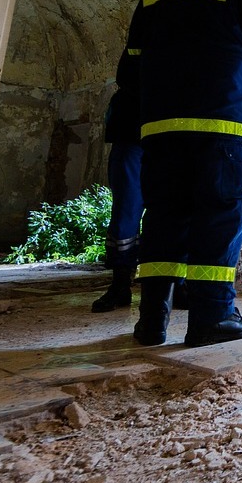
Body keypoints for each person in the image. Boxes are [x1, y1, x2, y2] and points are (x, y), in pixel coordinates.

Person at [118, 0, 242, 347]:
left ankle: (151, 321)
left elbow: (132, 64)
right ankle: (212, 316)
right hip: (220, 124)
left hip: (160, 128)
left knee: (163, 217)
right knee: (220, 213)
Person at [89, 86, 143, 313]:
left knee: (169, 217)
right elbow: (126, 74)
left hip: (167, 133)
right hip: (132, 129)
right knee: (124, 215)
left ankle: (170, 287)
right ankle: (120, 284)